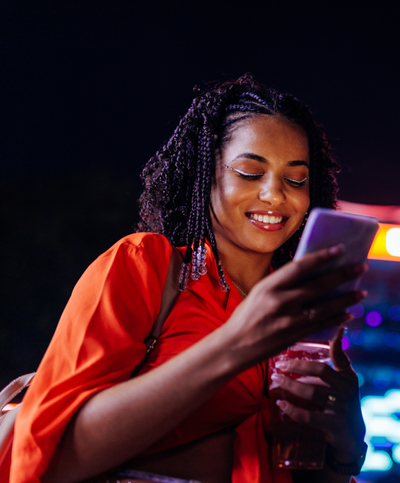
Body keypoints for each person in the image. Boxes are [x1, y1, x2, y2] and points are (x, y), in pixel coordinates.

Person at [7, 75, 368, 483]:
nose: (275, 194)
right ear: (205, 173)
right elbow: (48, 455)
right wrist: (235, 344)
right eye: (250, 172)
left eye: (296, 179)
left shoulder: (300, 316)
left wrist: (347, 443)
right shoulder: (146, 265)